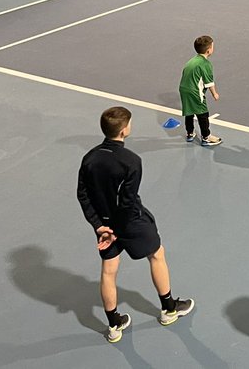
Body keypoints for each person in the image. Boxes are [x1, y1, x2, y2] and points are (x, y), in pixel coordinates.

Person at [76, 106, 195, 344]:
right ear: (123, 130)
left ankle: (113, 326)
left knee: (109, 271)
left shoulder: (89, 158)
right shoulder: (131, 161)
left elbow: (83, 195)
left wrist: (100, 227)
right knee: (157, 255)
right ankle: (169, 309)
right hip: (130, 223)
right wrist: (117, 231)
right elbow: (127, 202)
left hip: (104, 226)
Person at [179, 35, 222, 146]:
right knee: (202, 113)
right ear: (209, 50)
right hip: (195, 92)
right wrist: (215, 94)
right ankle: (206, 137)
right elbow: (209, 82)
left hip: (183, 90)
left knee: (189, 111)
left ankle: (190, 133)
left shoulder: (191, 61)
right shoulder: (206, 64)